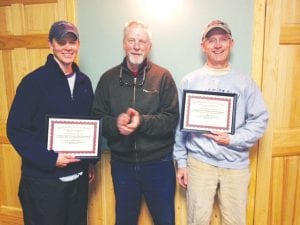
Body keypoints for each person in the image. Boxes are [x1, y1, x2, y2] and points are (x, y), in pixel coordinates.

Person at [173, 20, 269, 225]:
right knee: (196, 221)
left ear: (231, 43)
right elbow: (179, 125)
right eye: (212, 40)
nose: (217, 45)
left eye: (223, 40)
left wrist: (232, 139)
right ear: (203, 45)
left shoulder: (245, 82)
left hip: (235, 165)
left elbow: (260, 119)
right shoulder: (190, 81)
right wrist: (181, 162)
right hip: (199, 163)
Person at [6, 21, 96, 225]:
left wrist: (90, 160)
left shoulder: (84, 82)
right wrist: (50, 159)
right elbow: (15, 129)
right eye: (61, 42)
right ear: (51, 45)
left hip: (78, 180)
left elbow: (90, 122)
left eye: (72, 42)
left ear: (78, 45)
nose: (67, 47)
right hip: (43, 183)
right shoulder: (33, 82)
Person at [92, 20, 179, 225]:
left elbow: (171, 118)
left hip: (159, 164)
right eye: (132, 40)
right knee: (124, 221)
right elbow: (96, 118)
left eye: (142, 41)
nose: (137, 46)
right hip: (123, 165)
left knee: (165, 221)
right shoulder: (108, 79)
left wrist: (142, 122)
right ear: (124, 43)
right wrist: (115, 124)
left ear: (149, 46)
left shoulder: (163, 77)